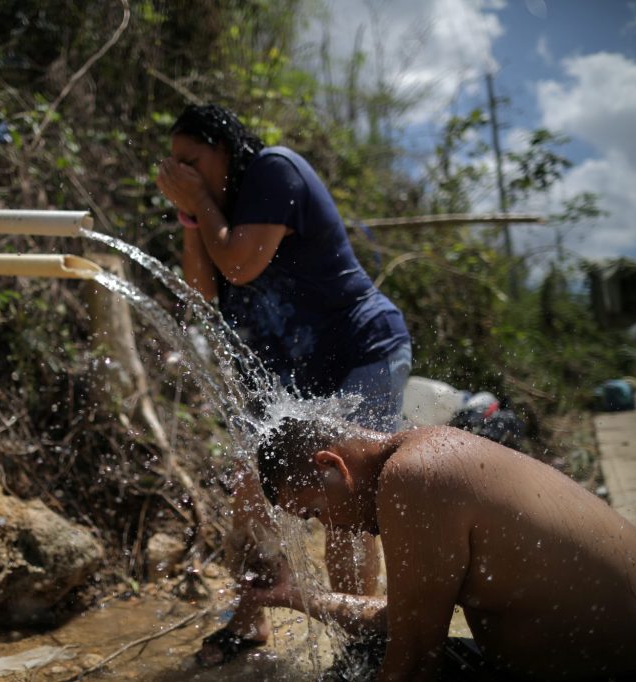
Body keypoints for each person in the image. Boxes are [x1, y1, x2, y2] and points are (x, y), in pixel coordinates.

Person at [156, 103, 412, 665]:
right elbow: (203, 290)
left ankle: (363, 647)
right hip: (297, 379)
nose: (181, 172)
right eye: (173, 164)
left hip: (359, 350)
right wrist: (194, 215)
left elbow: (241, 266)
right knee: (251, 500)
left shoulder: (274, 171)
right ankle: (249, 623)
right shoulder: (211, 211)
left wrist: (196, 200)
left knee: (346, 497)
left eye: (191, 160)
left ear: (224, 148)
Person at [244, 417, 636, 681]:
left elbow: (415, 665)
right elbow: (403, 623)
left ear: (330, 465)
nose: (331, 525)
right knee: (365, 657)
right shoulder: (423, 457)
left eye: (316, 510)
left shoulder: (414, 476)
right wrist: (294, 597)